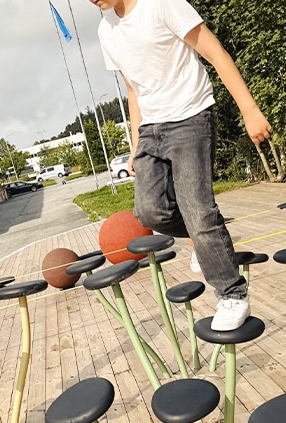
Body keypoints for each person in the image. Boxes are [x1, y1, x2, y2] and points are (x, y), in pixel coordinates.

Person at [91, 0, 272, 330]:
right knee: (150, 212)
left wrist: (250, 111)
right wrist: (135, 146)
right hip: (150, 128)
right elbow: (133, 90)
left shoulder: (160, 3)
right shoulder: (106, 30)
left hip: (190, 118)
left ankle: (232, 295)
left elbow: (215, 53)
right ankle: (205, 243)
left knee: (199, 211)